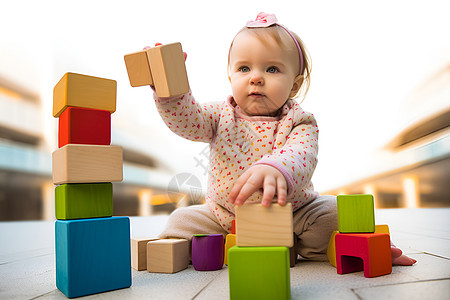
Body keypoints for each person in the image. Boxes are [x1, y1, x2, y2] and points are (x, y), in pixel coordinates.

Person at [149, 12, 416, 266]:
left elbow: (301, 154)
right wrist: (170, 94)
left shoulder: (299, 121)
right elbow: (187, 121)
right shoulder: (218, 115)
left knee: (334, 214)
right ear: (230, 76)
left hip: (294, 213)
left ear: (295, 85)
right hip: (226, 215)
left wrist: (275, 167)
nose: (255, 77)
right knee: (181, 220)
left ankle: (339, 247)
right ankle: (181, 253)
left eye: (272, 69)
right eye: (244, 68)